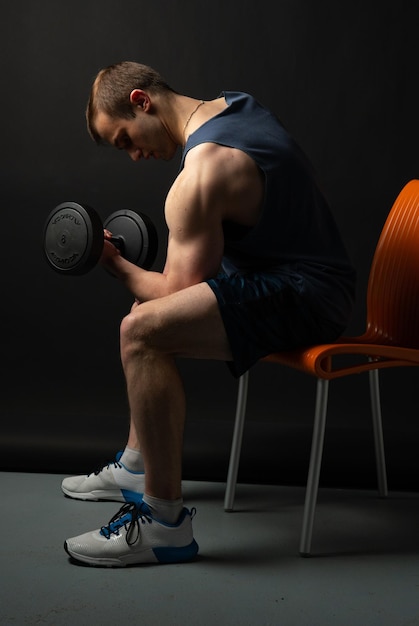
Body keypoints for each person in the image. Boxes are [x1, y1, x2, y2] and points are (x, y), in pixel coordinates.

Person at [63, 61, 356, 567]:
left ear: (141, 100)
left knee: (142, 331)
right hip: (315, 277)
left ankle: (163, 522)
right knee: (145, 315)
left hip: (309, 296)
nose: (135, 156)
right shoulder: (235, 105)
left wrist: (110, 261)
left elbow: (177, 290)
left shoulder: (201, 175)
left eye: (126, 140)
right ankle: (136, 464)